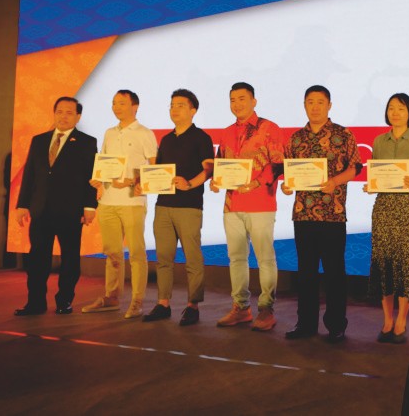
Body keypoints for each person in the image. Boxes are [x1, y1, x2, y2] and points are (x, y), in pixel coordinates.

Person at [281, 85, 362, 343]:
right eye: (310, 102)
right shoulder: (295, 138)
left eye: (320, 102)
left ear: (329, 105)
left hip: (332, 214)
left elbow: (355, 167)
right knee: (305, 273)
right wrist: (286, 186)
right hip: (303, 214)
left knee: (334, 272)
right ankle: (305, 324)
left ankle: (336, 325)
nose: (315, 107)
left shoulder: (343, 134)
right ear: (304, 105)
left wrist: (335, 181)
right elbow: (288, 172)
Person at [207, 82, 284, 332]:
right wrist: (216, 181)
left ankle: (266, 309)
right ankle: (241, 308)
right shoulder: (227, 132)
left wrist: (256, 183)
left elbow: (278, 164)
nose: (237, 104)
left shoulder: (270, 128)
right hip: (232, 204)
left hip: (261, 202)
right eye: (233, 100)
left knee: (265, 258)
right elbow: (221, 164)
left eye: (242, 98)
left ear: (254, 101)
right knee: (236, 258)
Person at [14, 97, 98, 316]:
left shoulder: (87, 142)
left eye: (69, 112)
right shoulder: (39, 140)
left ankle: (64, 301)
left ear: (78, 117)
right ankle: (35, 303)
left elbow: (92, 177)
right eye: (59, 111)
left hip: (71, 211)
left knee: (70, 258)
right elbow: (30, 175)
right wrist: (22, 205)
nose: (63, 116)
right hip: (40, 209)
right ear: (54, 114)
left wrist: (90, 207)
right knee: (37, 258)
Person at [139, 89, 214, 326]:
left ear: (193, 110)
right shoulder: (166, 139)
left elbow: (209, 170)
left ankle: (193, 305)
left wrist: (190, 183)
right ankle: (163, 303)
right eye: (172, 105)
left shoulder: (201, 137)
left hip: (189, 206)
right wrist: (144, 183)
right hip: (163, 205)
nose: (174, 109)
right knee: (163, 257)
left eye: (180, 105)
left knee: (192, 258)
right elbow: (159, 171)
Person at [365, 93, 409, 344]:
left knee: (405, 262)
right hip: (383, 206)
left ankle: (402, 321)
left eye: (401, 108)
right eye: (391, 108)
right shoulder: (379, 141)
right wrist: (371, 185)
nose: (395, 113)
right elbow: (376, 172)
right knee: (383, 262)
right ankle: (387, 320)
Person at [82, 90, 158, 319]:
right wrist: (98, 179)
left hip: (132, 201)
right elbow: (104, 164)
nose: (116, 107)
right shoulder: (109, 132)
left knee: (136, 253)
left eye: (122, 103)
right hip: (107, 201)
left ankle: (137, 301)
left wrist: (134, 180)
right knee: (113, 253)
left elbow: (154, 168)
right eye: (114, 103)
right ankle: (112, 297)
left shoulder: (145, 133)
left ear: (135, 106)